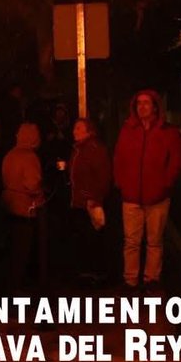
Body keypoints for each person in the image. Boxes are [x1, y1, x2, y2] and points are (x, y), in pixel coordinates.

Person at [113, 89, 181, 292]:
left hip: (158, 196)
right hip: (131, 196)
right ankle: (130, 280)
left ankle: (152, 278)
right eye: (139, 103)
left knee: (154, 241)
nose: (142, 106)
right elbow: (119, 157)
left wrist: (165, 183)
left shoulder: (168, 131)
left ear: (155, 106)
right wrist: (121, 182)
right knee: (131, 241)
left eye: (146, 103)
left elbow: (176, 160)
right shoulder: (128, 130)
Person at [2, 122, 46, 293]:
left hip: (8, 206)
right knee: (22, 252)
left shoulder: (10, 154)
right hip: (24, 208)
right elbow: (32, 184)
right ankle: (17, 290)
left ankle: (9, 288)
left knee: (12, 251)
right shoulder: (29, 157)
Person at [69, 117, 112, 286]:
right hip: (80, 200)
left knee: (93, 238)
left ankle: (97, 274)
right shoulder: (79, 149)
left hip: (90, 201)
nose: (75, 131)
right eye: (74, 128)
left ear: (89, 131)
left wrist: (95, 197)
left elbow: (104, 176)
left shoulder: (94, 149)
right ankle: (87, 273)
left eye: (79, 128)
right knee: (84, 238)